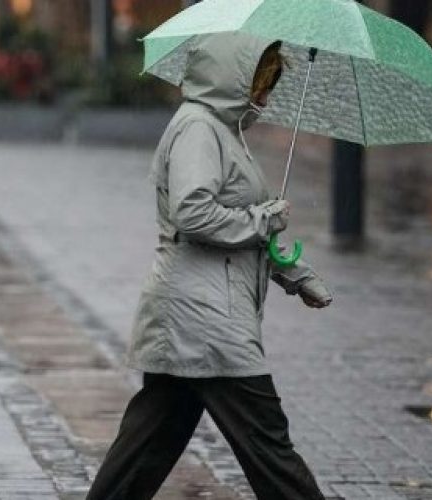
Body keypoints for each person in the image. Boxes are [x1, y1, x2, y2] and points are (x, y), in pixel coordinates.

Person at [86, 32, 333, 500]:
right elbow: (194, 213)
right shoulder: (199, 129)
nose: (265, 96)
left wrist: (296, 275)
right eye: (261, 83)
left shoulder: (223, 130)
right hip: (207, 319)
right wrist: (264, 219)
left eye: (270, 85)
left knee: (143, 451)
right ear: (233, 79)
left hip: (196, 315)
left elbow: (239, 228)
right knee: (270, 448)